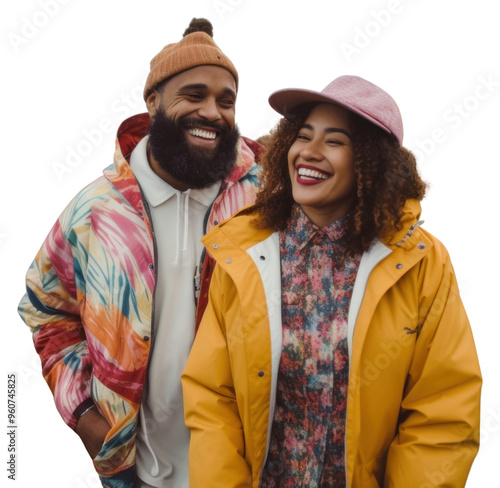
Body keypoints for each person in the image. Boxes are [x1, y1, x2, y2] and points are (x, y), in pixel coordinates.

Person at [182, 75, 482, 487]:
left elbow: (443, 410)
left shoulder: (421, 264)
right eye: (303, 136)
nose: (310, 152)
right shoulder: (242, 253)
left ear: (371, 162)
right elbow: (212, 397)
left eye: (335, 141)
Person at [18, 18, 261, 488]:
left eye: (226, 101)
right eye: (194, 95)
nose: (212, 112)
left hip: (249, 466)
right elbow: (46, 311)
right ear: (153, 102)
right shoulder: (96, 212)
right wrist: (86, 416)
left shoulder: (264, 201)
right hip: (138, 471)